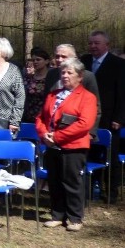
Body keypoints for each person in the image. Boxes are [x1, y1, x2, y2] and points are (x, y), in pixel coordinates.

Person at [36, 58, 98, 231]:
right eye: (63, 72)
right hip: (51, 145)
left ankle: (75, 218)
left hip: (73, 146)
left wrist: (57, 136)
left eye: (69, 72)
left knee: (72, 182)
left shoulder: (87, 97)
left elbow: (84, 124)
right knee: (54, 180)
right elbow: (41, 118)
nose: (65, 75)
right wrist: (44, 134)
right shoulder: (53, 94)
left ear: (80, 76)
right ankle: (57, 214)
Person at [81, 30, 125, 202]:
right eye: (91, 43)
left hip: (109, 118)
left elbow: (123, 94)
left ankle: (111, 192)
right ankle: (91, 188)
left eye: (97, 43)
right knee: (90, 154)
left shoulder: (118, 64)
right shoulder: (83, 62)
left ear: (107, 45)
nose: (93, 46)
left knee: (110, 156)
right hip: (87, 117)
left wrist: (120, 118)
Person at [22, 47, 50, 123]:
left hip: (44, 119)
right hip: (27, 118)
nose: (35, 62)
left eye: (38, 59)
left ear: (46, 61)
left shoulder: (50, 79)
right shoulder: (28, 78)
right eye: (33, 60)